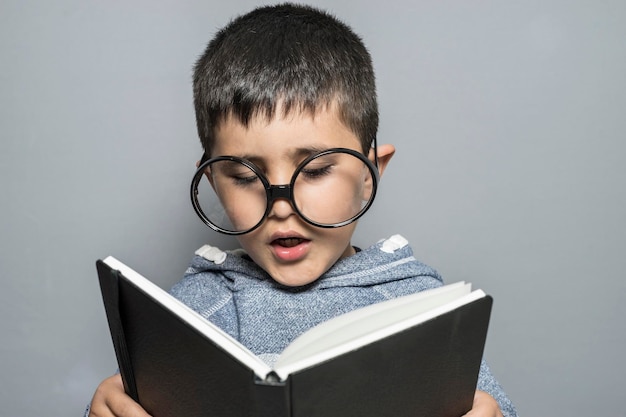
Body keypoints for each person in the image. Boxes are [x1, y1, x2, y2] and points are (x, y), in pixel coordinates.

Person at [86, 3, 517, 417]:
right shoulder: (187, 315)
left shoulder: (421, 310)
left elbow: (491, 406)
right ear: (213, 180)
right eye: (244, 175)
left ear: (371, 173)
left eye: (315, 170)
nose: (281, 206)